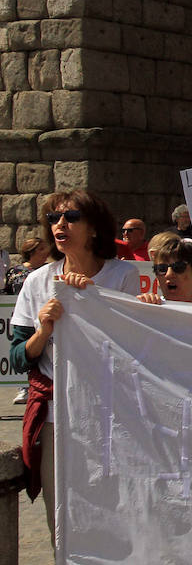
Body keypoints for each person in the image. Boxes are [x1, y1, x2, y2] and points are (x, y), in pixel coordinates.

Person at [9, 190, 141, 535]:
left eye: (70, 218)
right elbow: (19, 355)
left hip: (110, 412)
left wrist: (90, 301)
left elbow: (131, 344)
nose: (60, 225)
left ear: (94, 228)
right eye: (53, 219)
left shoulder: (122, 276)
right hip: (57, 416)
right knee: (61, 514)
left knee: (111, 506)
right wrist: (44, 329)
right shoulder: (37, 281)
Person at [136, 232, 192, 309]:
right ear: (157, 279)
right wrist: (142, 311)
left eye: (178, 267)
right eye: (162, 269)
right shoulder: (145, 308)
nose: (169, 274)